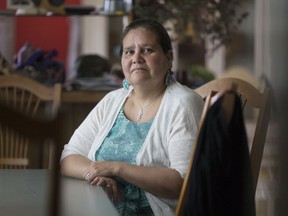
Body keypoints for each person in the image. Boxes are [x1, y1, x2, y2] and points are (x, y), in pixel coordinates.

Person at [60, 19, 204, 216]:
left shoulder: (183, 103)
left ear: (169, 58)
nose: (136, 58)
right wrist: (96, 173)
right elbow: (68, 157)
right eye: (129, 51)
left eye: (147, 50)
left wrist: (118, 169)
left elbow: (184, 182)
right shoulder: (112, 100)